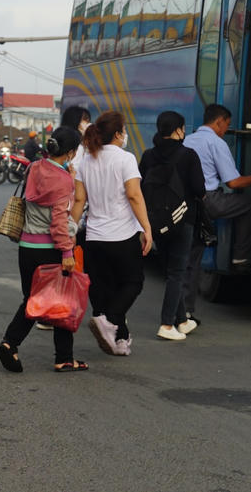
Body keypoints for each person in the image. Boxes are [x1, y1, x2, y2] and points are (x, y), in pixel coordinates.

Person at [0, 126, 88, 373]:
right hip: (50, 249)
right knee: (63, 301)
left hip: (26, 246)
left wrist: (65, 173)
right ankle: (57, 356)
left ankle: (14, 345)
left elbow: (43, 193)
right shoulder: (64, 181)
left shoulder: (34, 167)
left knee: (33, 299)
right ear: (70, 152)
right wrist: (67, 252)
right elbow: (59, 221)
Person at [71, 111, 152, 357]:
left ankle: (120, 339)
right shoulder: (125, 159)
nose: (125, 134)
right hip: (122, 235)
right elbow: (134, 195)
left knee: (105, 289)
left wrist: (70, 230)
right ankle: (110, 321)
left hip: (94, 236)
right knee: (132, 282)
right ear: (117, 134)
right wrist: (147, 228)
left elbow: (78, 200)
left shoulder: (86, 161)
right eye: (124, 130)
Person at [138, 111, 205, 341]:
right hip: (183, 220)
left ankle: (182, 322)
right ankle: (167, 325)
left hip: (156, 222)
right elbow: (199, 189)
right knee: (177, 273)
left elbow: (140, 185)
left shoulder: (148, 156)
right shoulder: (188, 155)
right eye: (183, 128)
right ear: (177, 130)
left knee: (170, 272)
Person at [184, 104, 251, 268]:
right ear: (219, 122)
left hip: (185, 200)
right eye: (227, 125)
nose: (226, 130)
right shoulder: (216, 143)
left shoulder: (188, 139)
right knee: (250, 205)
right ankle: (242, 256)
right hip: (208, 200)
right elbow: (233, 182)